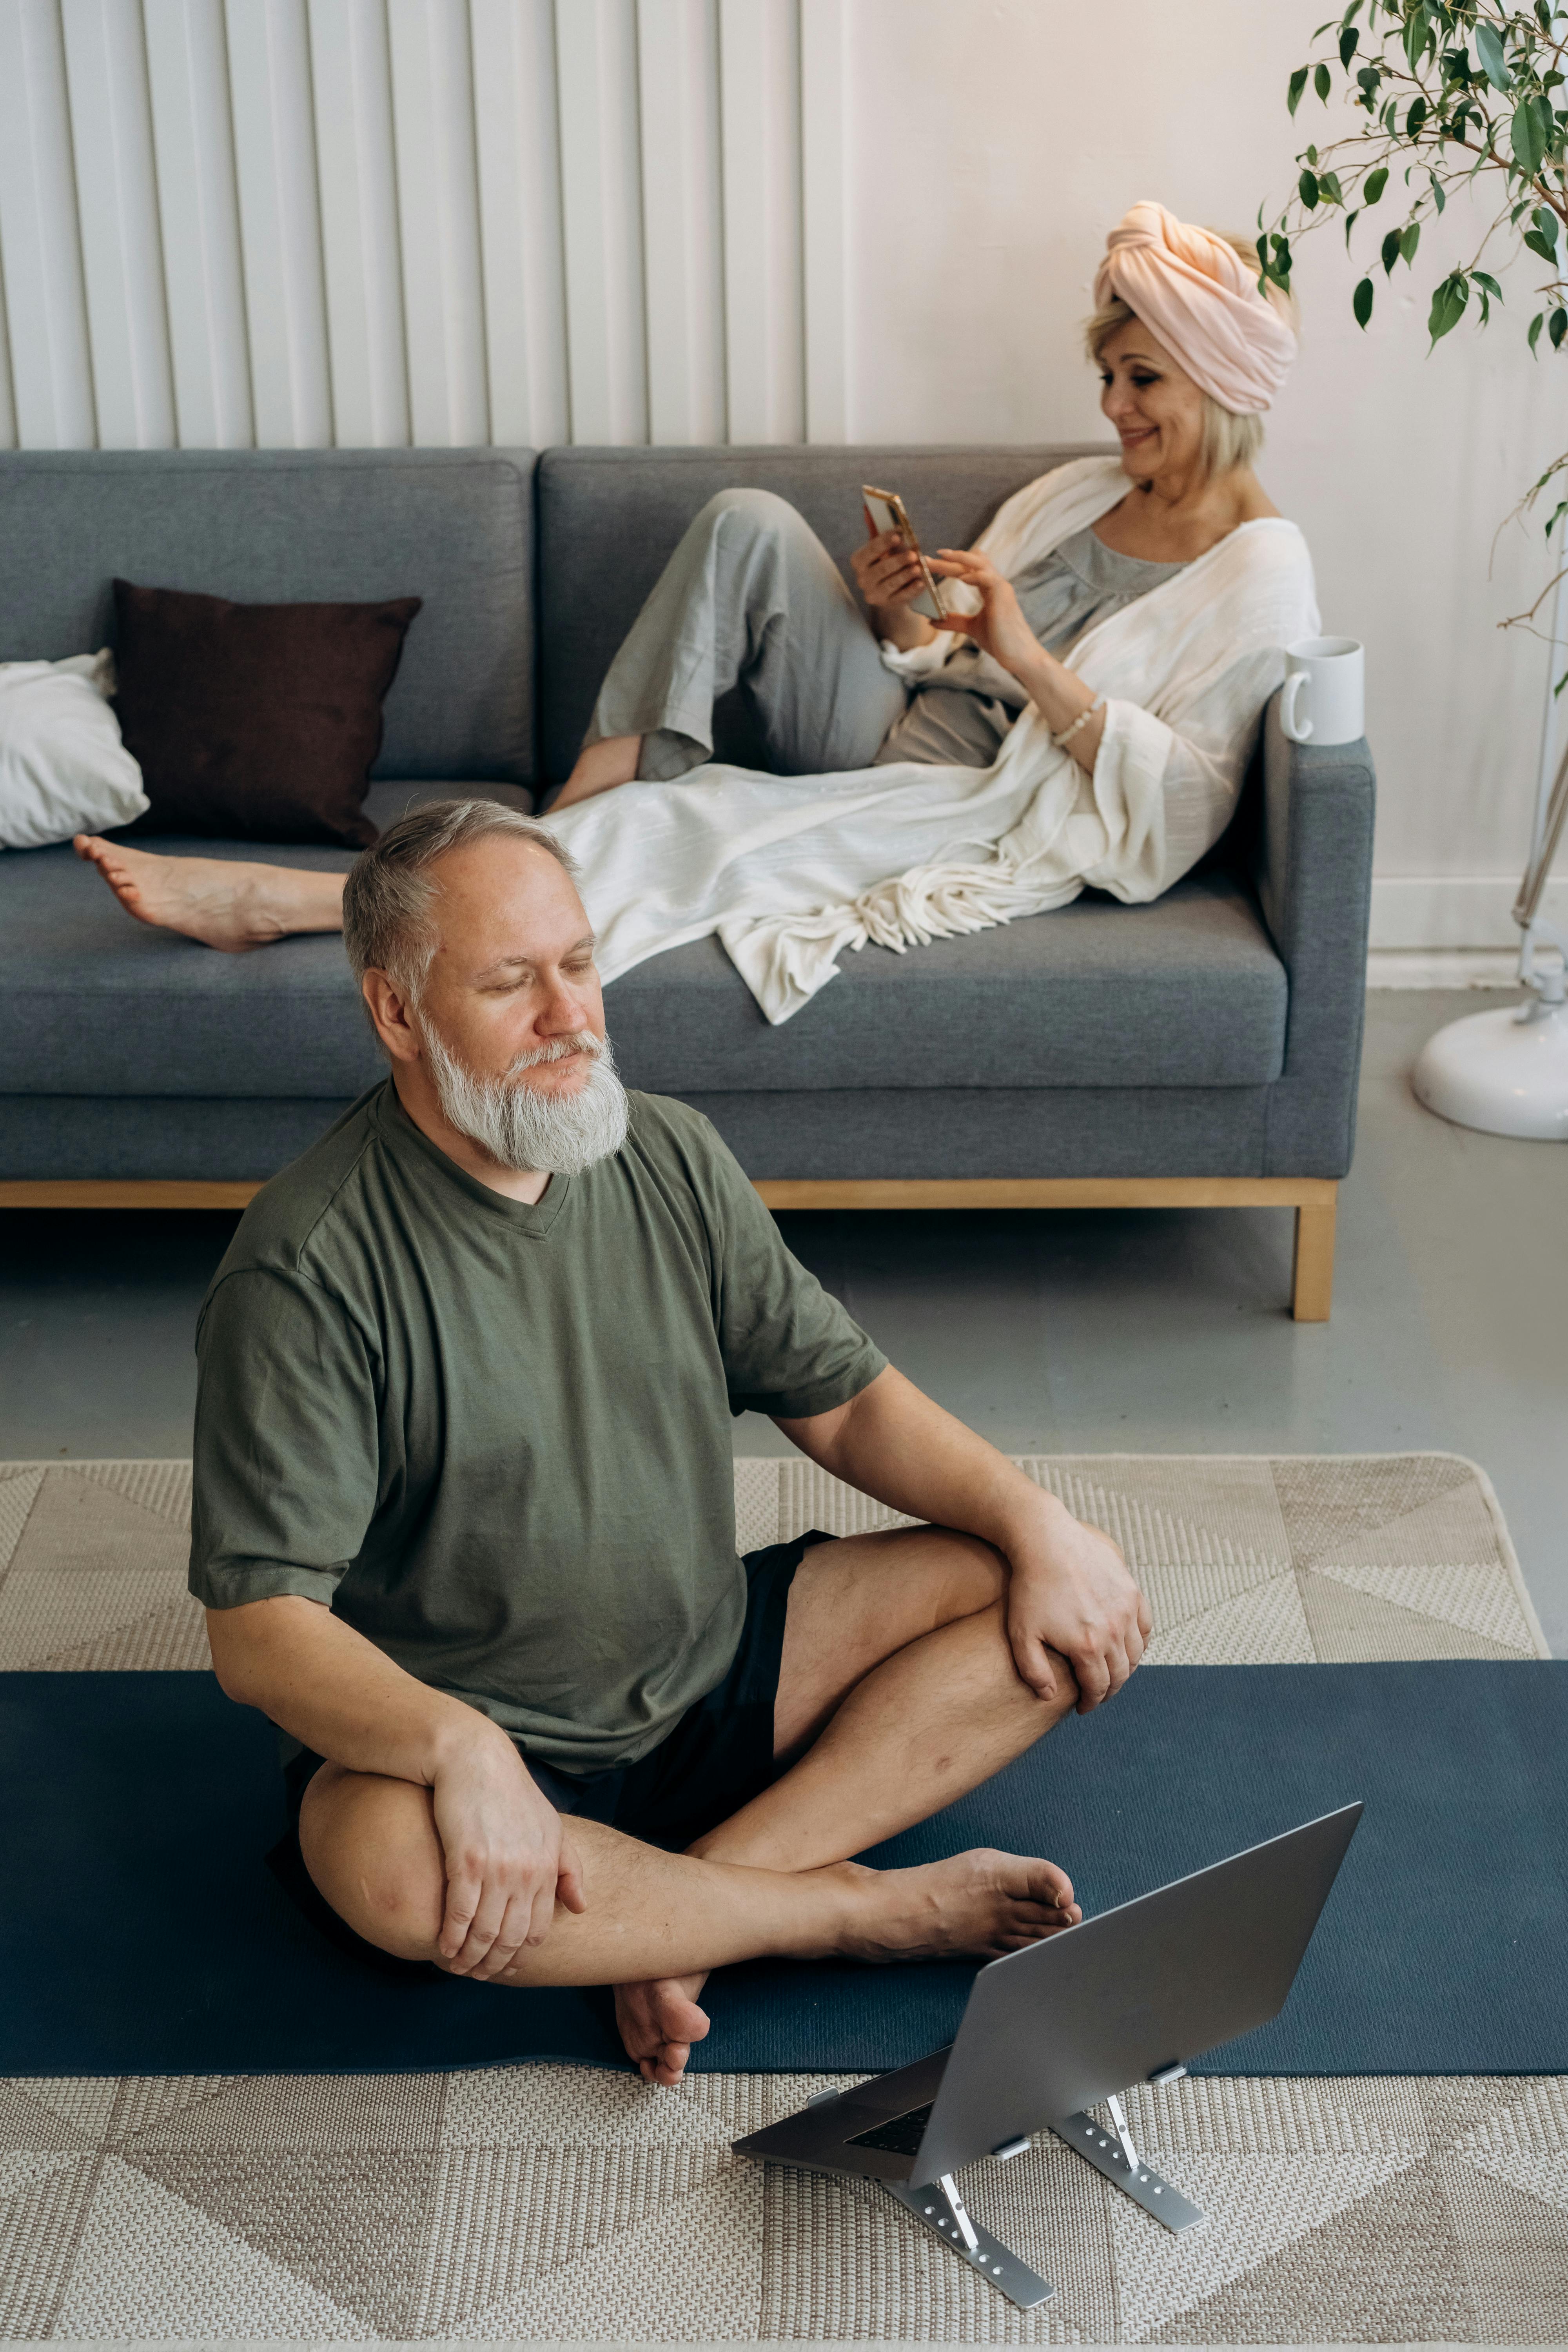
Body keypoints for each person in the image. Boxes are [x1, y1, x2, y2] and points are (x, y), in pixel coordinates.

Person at [194, 794, 1151, 2084]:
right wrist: (462, 1749)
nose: (570, 1016)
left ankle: (690, 1910)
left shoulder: (669, 1153)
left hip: (712, 1663)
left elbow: (847, 1401)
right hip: (475, 1742)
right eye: (510, 983)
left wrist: (1043, 1523)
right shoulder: (307, 1268)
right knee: (389, 1876)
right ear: (399, 1015)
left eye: (581, 964)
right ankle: (856, 1911)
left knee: (1028, 1602)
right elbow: (261, 1634)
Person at [73, 201, 1313, 1018]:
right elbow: (938, 646)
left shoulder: (1263, 569)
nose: (1114, 408)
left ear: (1219, 383)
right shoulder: (1084, 488)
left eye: (1142, 380)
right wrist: (901, 619)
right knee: (743, 518)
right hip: (899, 710)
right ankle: (584, 797)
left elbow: (1189, 805)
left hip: (981, 791)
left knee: (696, 832)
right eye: (1107, 376)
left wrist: (1028, 657)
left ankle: (303, 902)